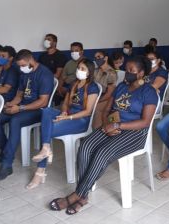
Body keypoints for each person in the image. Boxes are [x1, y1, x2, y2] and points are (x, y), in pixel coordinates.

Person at [48, 56, 157, 215]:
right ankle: (83, 195)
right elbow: (107, 110)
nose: (127, 73)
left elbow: (145, 122)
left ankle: (78, 194)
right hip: (112, 125)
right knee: (85, 146)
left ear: (141, 73)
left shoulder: (149, 92)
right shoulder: (121, 86)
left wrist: (118, 125)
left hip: (135, 133)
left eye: (132, 71)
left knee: (102, 152)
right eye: (127, 70)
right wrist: (107, 124)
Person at [27, 59, 100, 189]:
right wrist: (65, 112)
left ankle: (40, 171)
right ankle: (46, 148)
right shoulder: (74, 84)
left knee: (47, 129)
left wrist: (69, 117)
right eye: (79, 68)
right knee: (47, 111)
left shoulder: (92, 87)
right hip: (69, 116)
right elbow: (65, 103)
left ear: (89, 72)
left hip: (81, 121)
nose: (79, 71)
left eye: (83, 69)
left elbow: (88, 112)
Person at [0, 49, 54, 180]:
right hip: (23, 107)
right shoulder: (24, 73)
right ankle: (6, 150)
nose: (21, 68)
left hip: (38, 110)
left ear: (31, 60)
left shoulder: (44, 74)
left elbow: (43, 102)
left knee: (15, 120)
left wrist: (20, 108)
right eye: (19, 66)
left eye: (23, 65)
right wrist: (10, 104)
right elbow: (19, 95)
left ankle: (7, 164)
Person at [92, 51, 117, 129]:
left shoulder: (111, 73)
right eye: (95, 58)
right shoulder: (95, 70)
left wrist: (97, 101)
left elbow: (109, 93)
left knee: (96, 109)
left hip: (106, 97)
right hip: (96, 95)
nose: (96, 59)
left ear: (105, 58)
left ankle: (97, 130)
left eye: (99, 57)